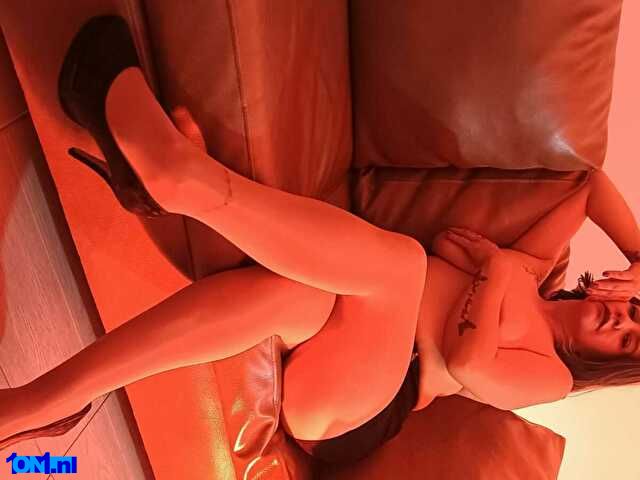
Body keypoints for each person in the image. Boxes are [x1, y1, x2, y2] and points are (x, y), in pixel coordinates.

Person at [1, 15, 639, 464]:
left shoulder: (553, 374)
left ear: (615, 364)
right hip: (332, 324)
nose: (621, 320)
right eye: (636, 311)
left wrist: (496, 266)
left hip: (360, 405)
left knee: (404, 263)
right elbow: (588, 186)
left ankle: (183, 180)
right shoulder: (536, 269)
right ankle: (43, 402)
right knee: (294, 293)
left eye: (630, 340)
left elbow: (471, 365)